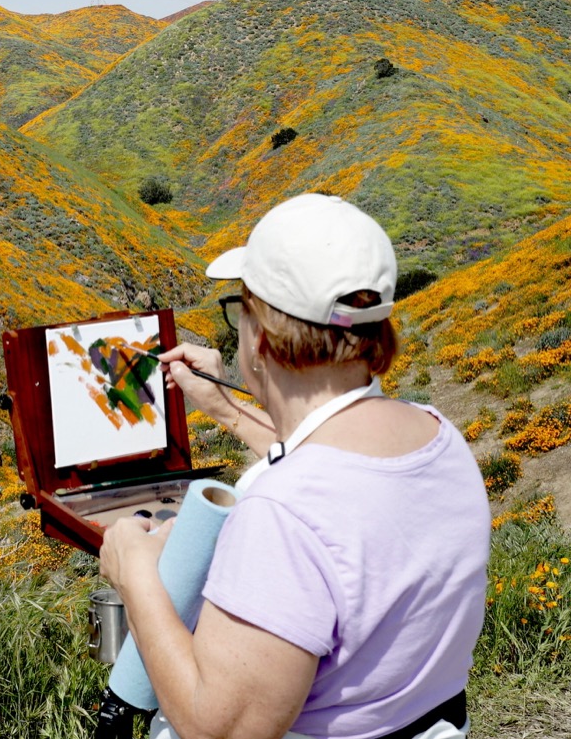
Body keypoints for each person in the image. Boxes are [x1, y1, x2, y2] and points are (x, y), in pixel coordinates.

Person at [99, 193, 491, 739]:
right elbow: (333, 472)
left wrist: (134, 574)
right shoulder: (437, 436)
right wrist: (227, 408)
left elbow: (221, 727)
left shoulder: (281, 516)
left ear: (257, 335)